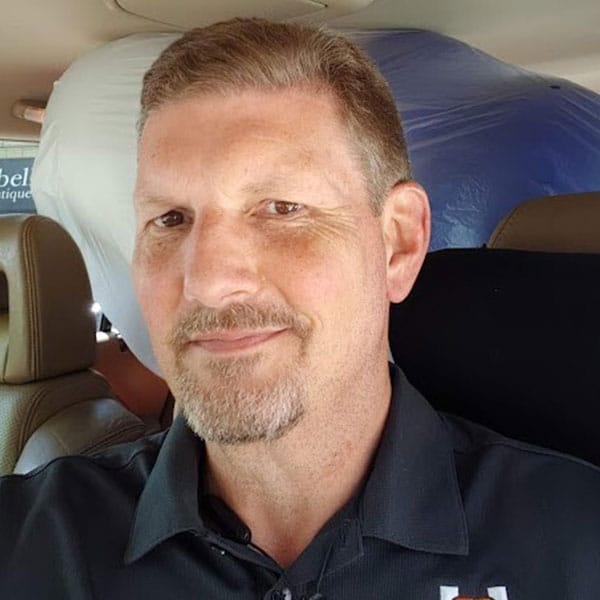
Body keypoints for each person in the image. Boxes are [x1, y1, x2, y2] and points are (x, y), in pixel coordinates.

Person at [1, 18, 599, 600]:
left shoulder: (578, 541)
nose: (207, 281)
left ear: (399, 243)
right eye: (170, 219)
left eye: (281, 208)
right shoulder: (29, 542)